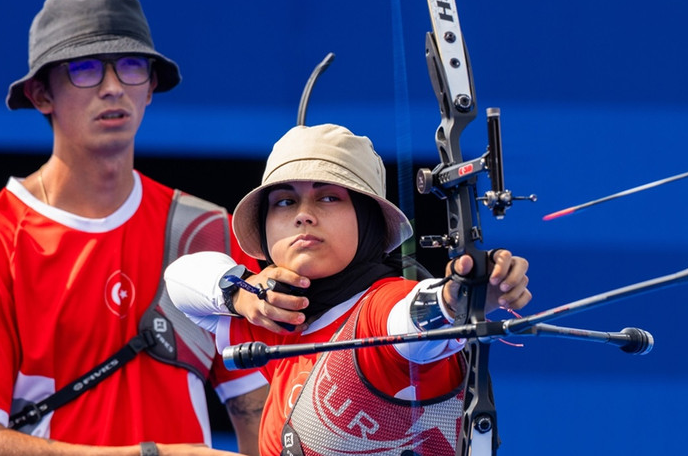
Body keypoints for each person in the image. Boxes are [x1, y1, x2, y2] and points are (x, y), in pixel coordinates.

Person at [0, 0, 268, 456]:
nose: (113, 86)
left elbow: (256, 409)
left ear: (151, 87)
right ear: (40, 94)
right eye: (85, 68)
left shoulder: (205, 231)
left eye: (131, 66)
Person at [165, 123, 533, 455]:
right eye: (285, 201)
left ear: (368, 220)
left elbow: (411, 318)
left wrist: (456, 297)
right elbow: (179, 281)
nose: (303, 214)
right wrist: (239, 294)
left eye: (328, 197)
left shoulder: (380, 306)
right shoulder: (280, 318)